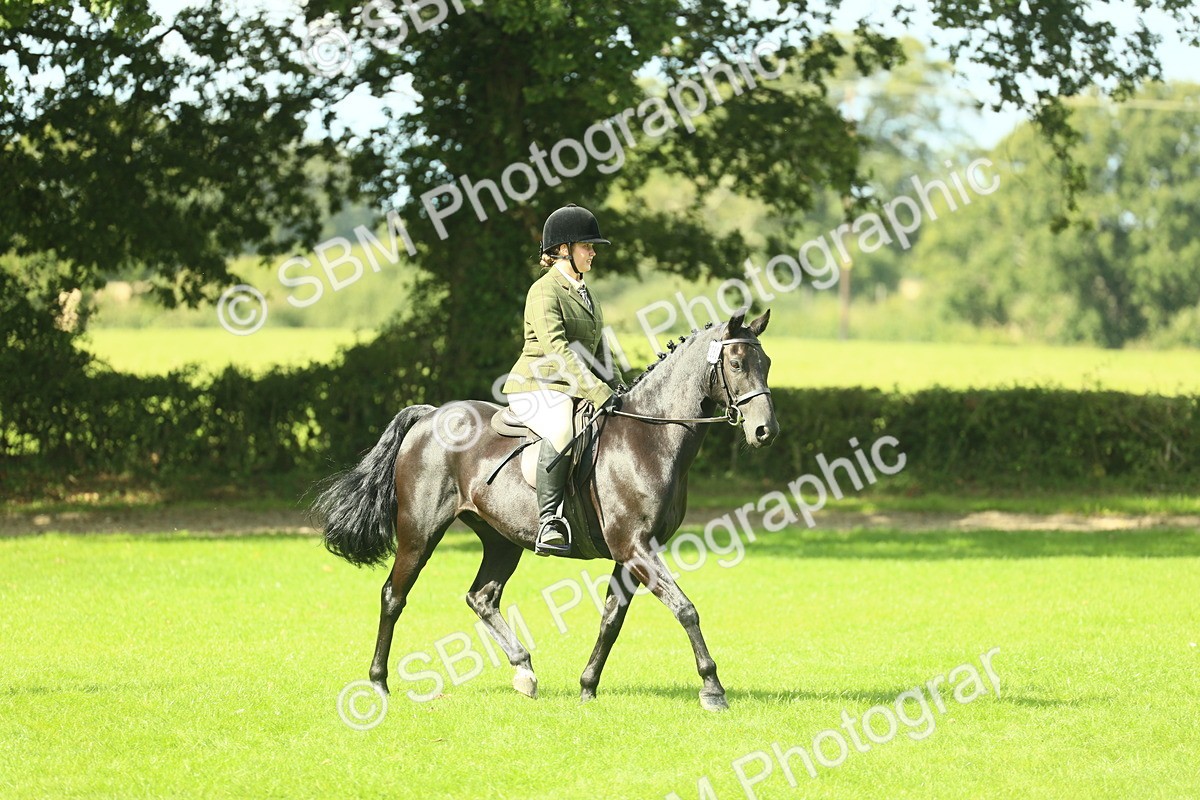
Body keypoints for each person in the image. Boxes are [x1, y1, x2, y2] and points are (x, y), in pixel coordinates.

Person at [502, 204, 627, 556]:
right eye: (587, 246)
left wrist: (618, 388)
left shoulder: (587, 293)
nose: (593, 252)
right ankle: (549, 521)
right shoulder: (544, 292)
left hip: (573, 388)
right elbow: (557, 350)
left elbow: (600, 349)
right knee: (561, 430)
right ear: (563, 249)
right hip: (537, 387)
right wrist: (597, 390)